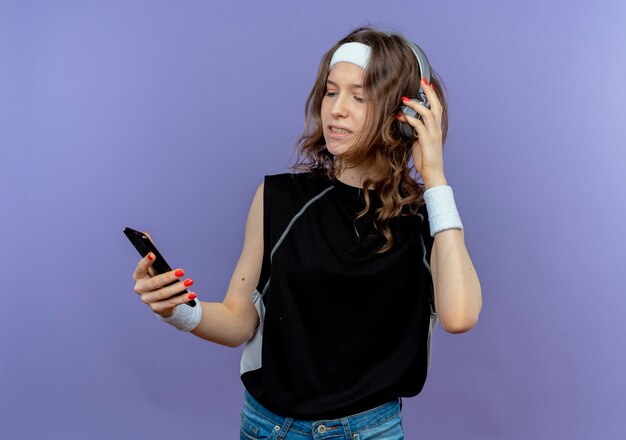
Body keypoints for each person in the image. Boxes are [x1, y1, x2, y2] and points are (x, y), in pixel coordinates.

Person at [132, 26, 482, 440]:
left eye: (360, 96)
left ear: (406, 116)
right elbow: (239, 322)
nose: (336, 109)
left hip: (368, 432)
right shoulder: (279, 197)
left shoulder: (428, 218)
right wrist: (180, 311)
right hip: (268, 428)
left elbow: (459, 316)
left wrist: (435, 178)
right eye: (332, 92)